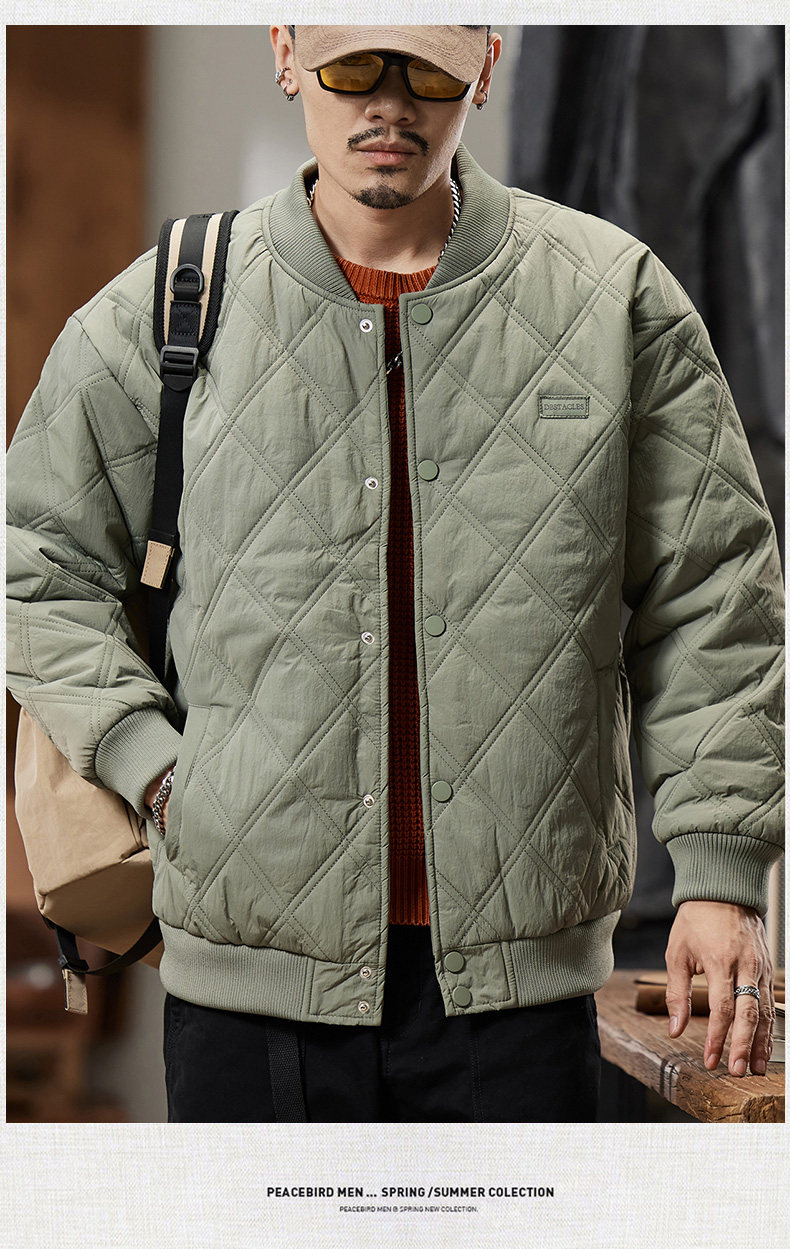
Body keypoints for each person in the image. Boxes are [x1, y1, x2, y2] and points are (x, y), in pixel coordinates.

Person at [6, 24, 784, 1123]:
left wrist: (718, 870)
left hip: (521, 1003)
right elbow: (35, 564)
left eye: (427, 67)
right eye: (350, 65)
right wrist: (157, 769)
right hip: (247, 998)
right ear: (286, 54)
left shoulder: (611, 298)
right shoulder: (168, 306)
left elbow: (717, 592)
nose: (390, 101)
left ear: (486, 67)